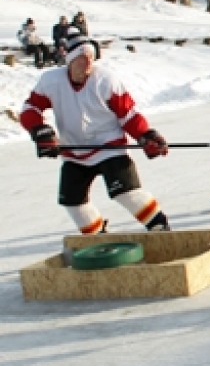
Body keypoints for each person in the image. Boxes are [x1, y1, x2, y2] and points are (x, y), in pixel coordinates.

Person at [19, 29, 171, 235]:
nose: (88, 63)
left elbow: (128, 115)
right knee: (72, 202)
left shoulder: (105, 80)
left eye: (91, 57)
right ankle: (99, 236)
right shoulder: (51, 81)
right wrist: (40, 131)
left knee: (125, 193)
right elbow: (30, 109)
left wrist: (146, 135)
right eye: (82, 58)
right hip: (74, 151)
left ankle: (159, 227)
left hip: (110, 147)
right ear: (70, 61)